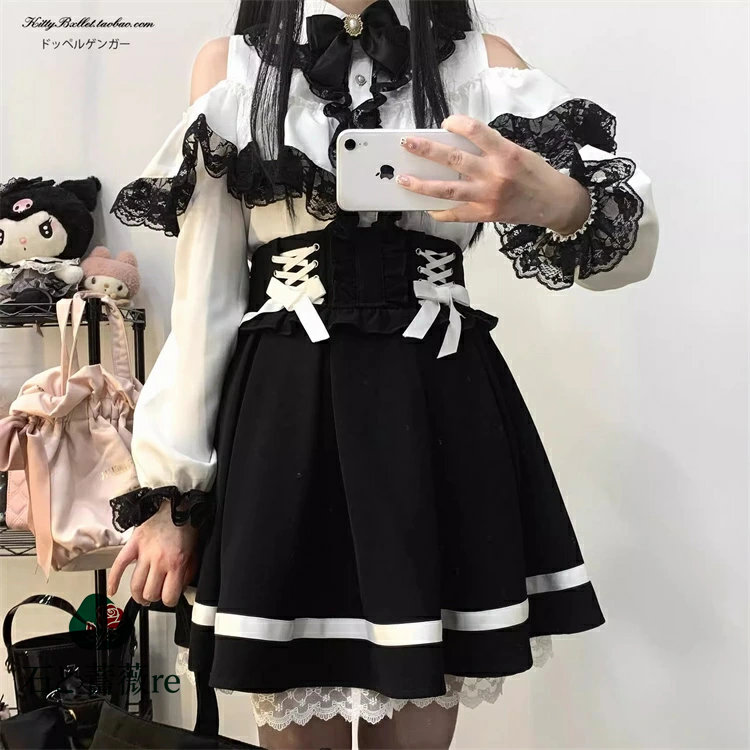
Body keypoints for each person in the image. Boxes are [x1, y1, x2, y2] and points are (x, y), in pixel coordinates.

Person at [106, 0, 659, 748]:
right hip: (286, 415)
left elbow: (628, 248)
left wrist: (558, 202)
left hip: (435, 406)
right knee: (298, 714)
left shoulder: (483, 66)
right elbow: (206, 296)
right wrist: (174, 490)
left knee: (420, 698)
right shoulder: (235, 68)